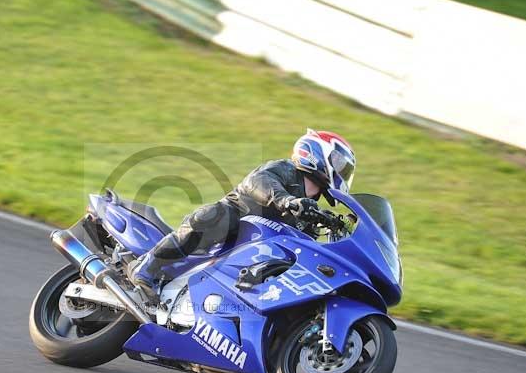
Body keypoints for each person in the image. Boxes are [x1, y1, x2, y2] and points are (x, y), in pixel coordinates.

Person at [128, 129, 357, 301]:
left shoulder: (311, 206)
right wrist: (286, 200)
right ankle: (147, 267)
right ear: (315, 153)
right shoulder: (286, 169)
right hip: (236, 225)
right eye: (339, 163)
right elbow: (257, 182)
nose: (342, 172)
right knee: (216, 217)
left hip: (257, 253)